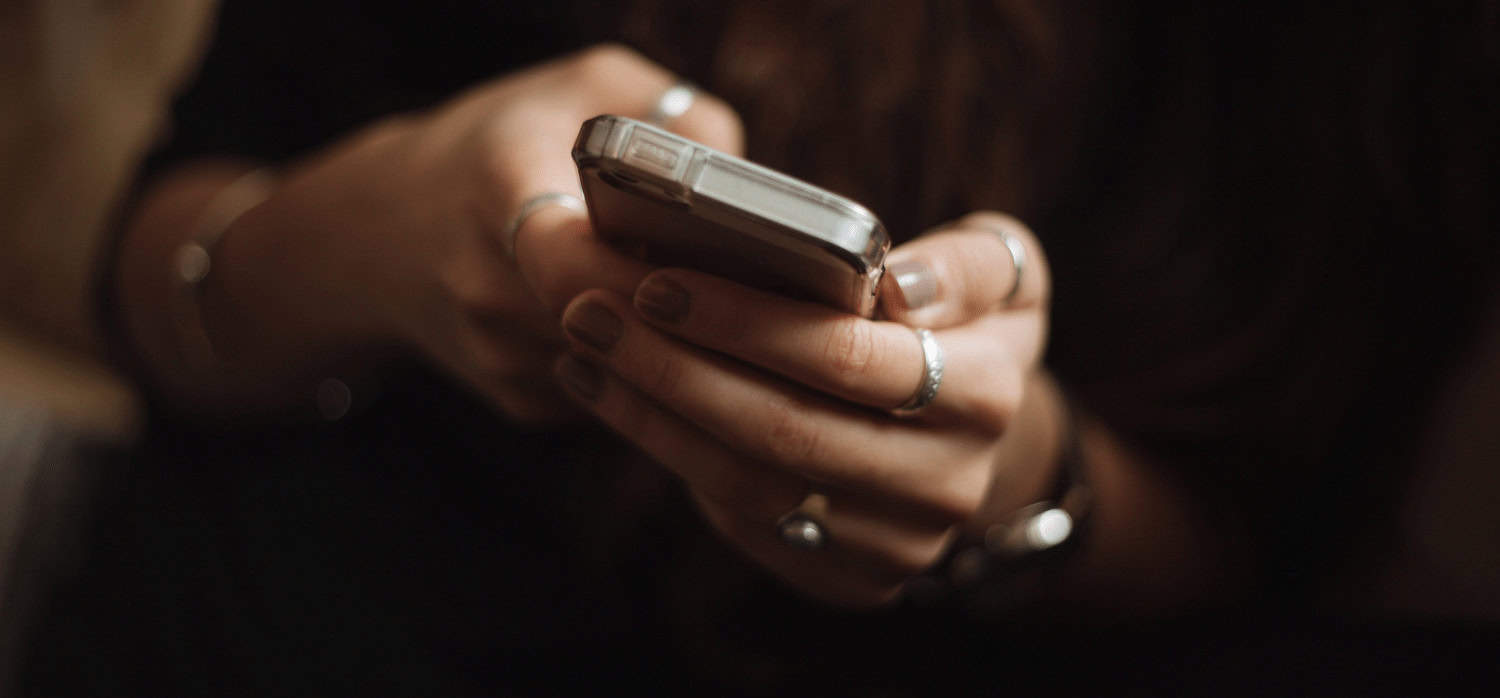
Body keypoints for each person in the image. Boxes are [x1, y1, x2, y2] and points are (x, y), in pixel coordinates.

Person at [17, 0, 1500, 694]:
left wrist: (1016, 478)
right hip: (294, 624)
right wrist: (388, 225)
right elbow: (154, 295)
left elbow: (1291, 550)